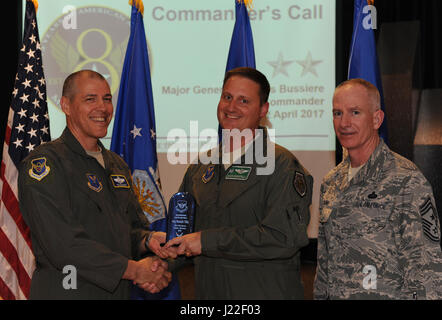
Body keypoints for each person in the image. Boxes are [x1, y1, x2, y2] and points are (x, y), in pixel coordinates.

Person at [18, 70, 172, 299]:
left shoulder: (116, 164)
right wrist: (134, 271)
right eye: (90, 99)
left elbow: (126, 231)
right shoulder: (45, 164)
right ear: (66, 106)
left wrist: (147, 241)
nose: (102, 107)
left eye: (107, 99)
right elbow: (63, 245)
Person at [162, 67, 313, 299]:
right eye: (227, 97)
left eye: (244, 100)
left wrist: (207, 241)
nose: (231, 107)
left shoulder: (282, 165)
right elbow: (183, 233)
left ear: (263, 109)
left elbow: (283, 238)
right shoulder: (201, 167)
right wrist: (159, 266)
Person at [314, 78, 442, 299]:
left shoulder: (406, 180)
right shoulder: (331, 182)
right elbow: (324, 265)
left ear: (376, 119)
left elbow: (426, 272)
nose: (344, 123)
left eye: (355, 112)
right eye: (337, 113)